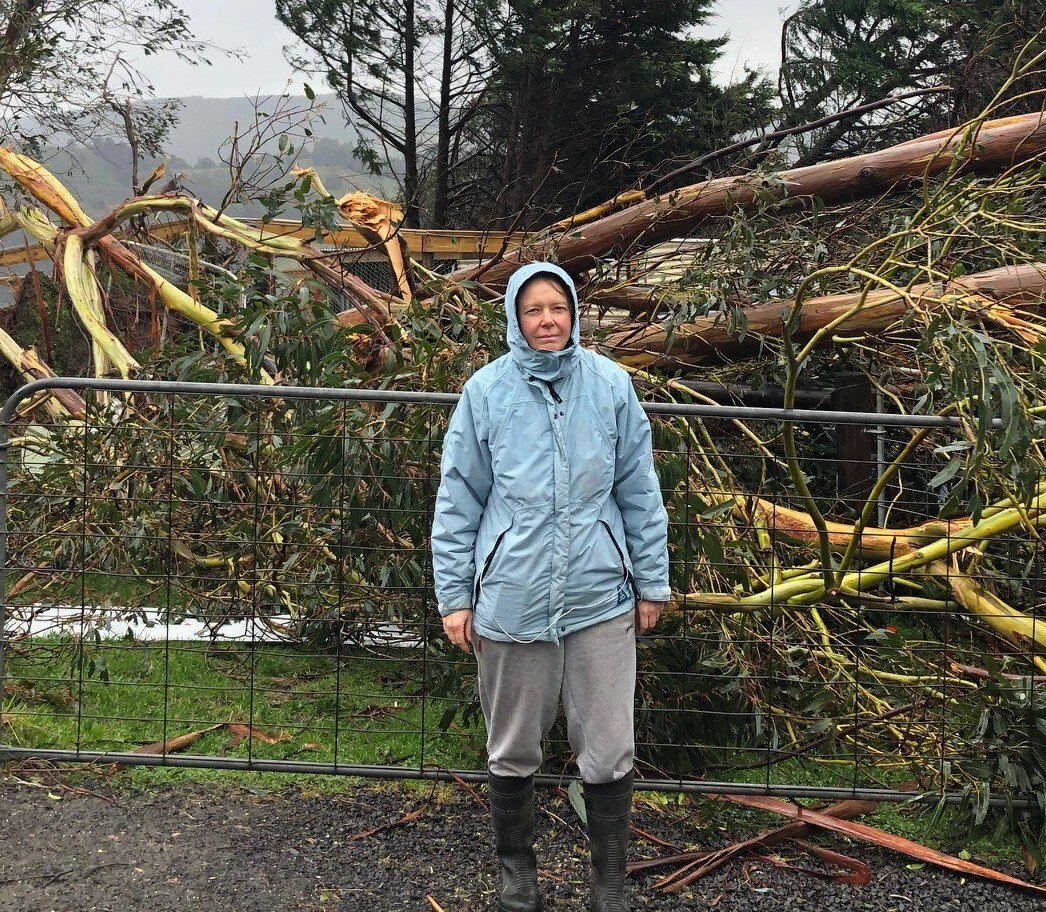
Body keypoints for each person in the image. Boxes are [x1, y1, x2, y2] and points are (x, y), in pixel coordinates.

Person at [431, 262, 670, 912]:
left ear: (574, 315)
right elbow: (458, 501)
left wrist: (651, 582)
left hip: (600, 598)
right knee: (512, 748)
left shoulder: (611, 387)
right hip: (512, 599)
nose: (546, 320)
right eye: (533, 309)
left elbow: (640, 493)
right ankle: (518, 881)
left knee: (610, 747)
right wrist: (455, 598)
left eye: (556, 308)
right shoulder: (485, 394)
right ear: (514, 317)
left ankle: (609, 885)